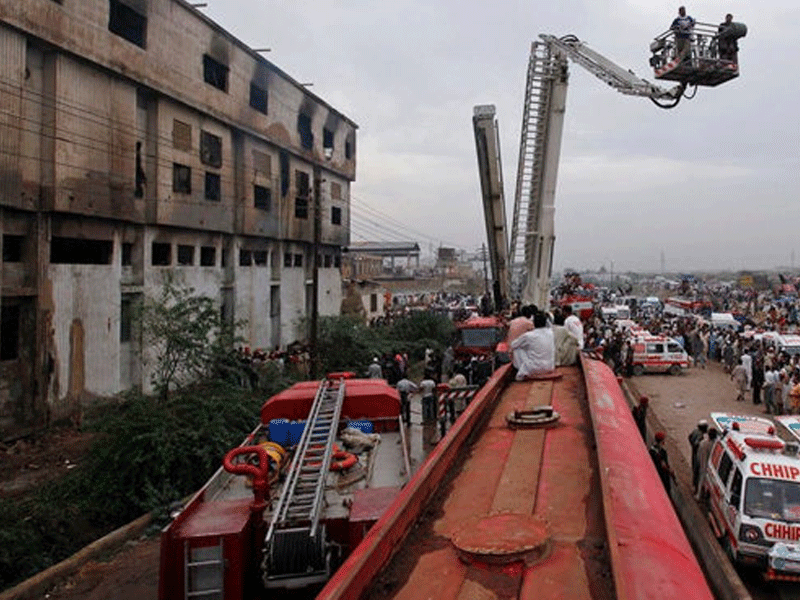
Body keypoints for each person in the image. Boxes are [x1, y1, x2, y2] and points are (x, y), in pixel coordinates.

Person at [510, 311, 555, 380]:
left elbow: (513, 345)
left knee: (517, 349)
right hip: (550, 366)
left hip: (533, 368)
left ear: (533, 323)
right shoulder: (550, 333)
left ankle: (522, 372)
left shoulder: (529, 335)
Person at [695, 428, 718, 501]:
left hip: (704, 462)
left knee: (702, 478)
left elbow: (698, 454)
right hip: (711, 463)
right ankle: (702, 495)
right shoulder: (714, 444)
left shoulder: (703, 443)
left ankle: (699, 495)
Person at [688, 419, 708, 493]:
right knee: (698, 471)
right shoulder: (700, 435)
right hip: (698, 455)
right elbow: (696, 443)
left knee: (695, 470)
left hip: (694, 453)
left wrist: (692, 446)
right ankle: (696, 488)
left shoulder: (695, 431)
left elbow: (689, 437)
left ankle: (695, 485)